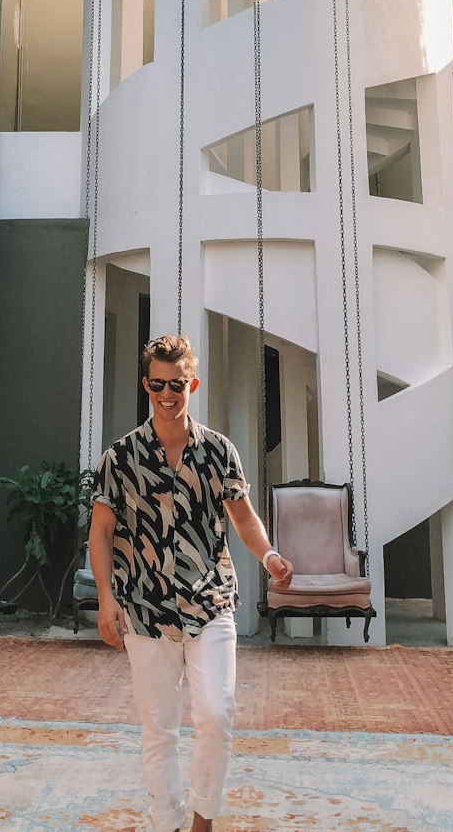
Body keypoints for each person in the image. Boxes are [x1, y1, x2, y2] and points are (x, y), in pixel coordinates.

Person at [89, 332, 294, 832]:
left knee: (216, 714)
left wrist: (267, 554)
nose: (167, 394)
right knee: (158, 730)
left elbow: (243, 518)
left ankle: (203, 821)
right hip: (144, 609)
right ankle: (167, 824)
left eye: (176, 384)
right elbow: (100, 531)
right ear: (146, 384)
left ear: (192, 384)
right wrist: (105, 599)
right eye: (157, 384)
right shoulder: (120, 459)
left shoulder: (219, 452)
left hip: (211, 601)